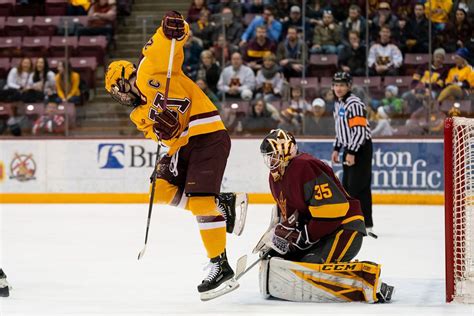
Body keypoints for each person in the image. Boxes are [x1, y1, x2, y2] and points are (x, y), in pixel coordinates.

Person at [104, 11, 248, 301]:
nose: (120, 98)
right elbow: (160, 138)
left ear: (125, 79)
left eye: (117, 90)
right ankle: (223, 204)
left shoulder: (149, 70)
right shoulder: (138, 113)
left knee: (202, 203)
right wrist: (166, 132)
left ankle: (220, 263)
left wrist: (175, 28)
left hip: (206, 134)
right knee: (160, 189)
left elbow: (168, 43)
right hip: (182, 146)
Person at [255, 129, 394, 303]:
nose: (271, 162)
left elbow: (334, 210)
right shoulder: (275, 177)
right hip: (321, 233)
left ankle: (369, 281)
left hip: (345, 228)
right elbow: (290, 216)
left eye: (274, 155)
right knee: (286, 262)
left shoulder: (304, 166)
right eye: (268, 157)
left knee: (310, 267)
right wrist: (281, 242)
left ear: (286, 150)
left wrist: (305, 236)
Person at [330, 72, 374, 232]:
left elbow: (360, 131)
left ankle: (363, 225)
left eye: (342, 85)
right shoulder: (338, 104)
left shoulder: (354, 104)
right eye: (336, 84)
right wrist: (337, 148)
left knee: (358, 187)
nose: (338, 88)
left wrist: (352, 152)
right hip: (350, 147)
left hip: (360, 148)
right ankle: (358, 223)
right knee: (347, 186)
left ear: (349, 86)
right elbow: (341, 130)